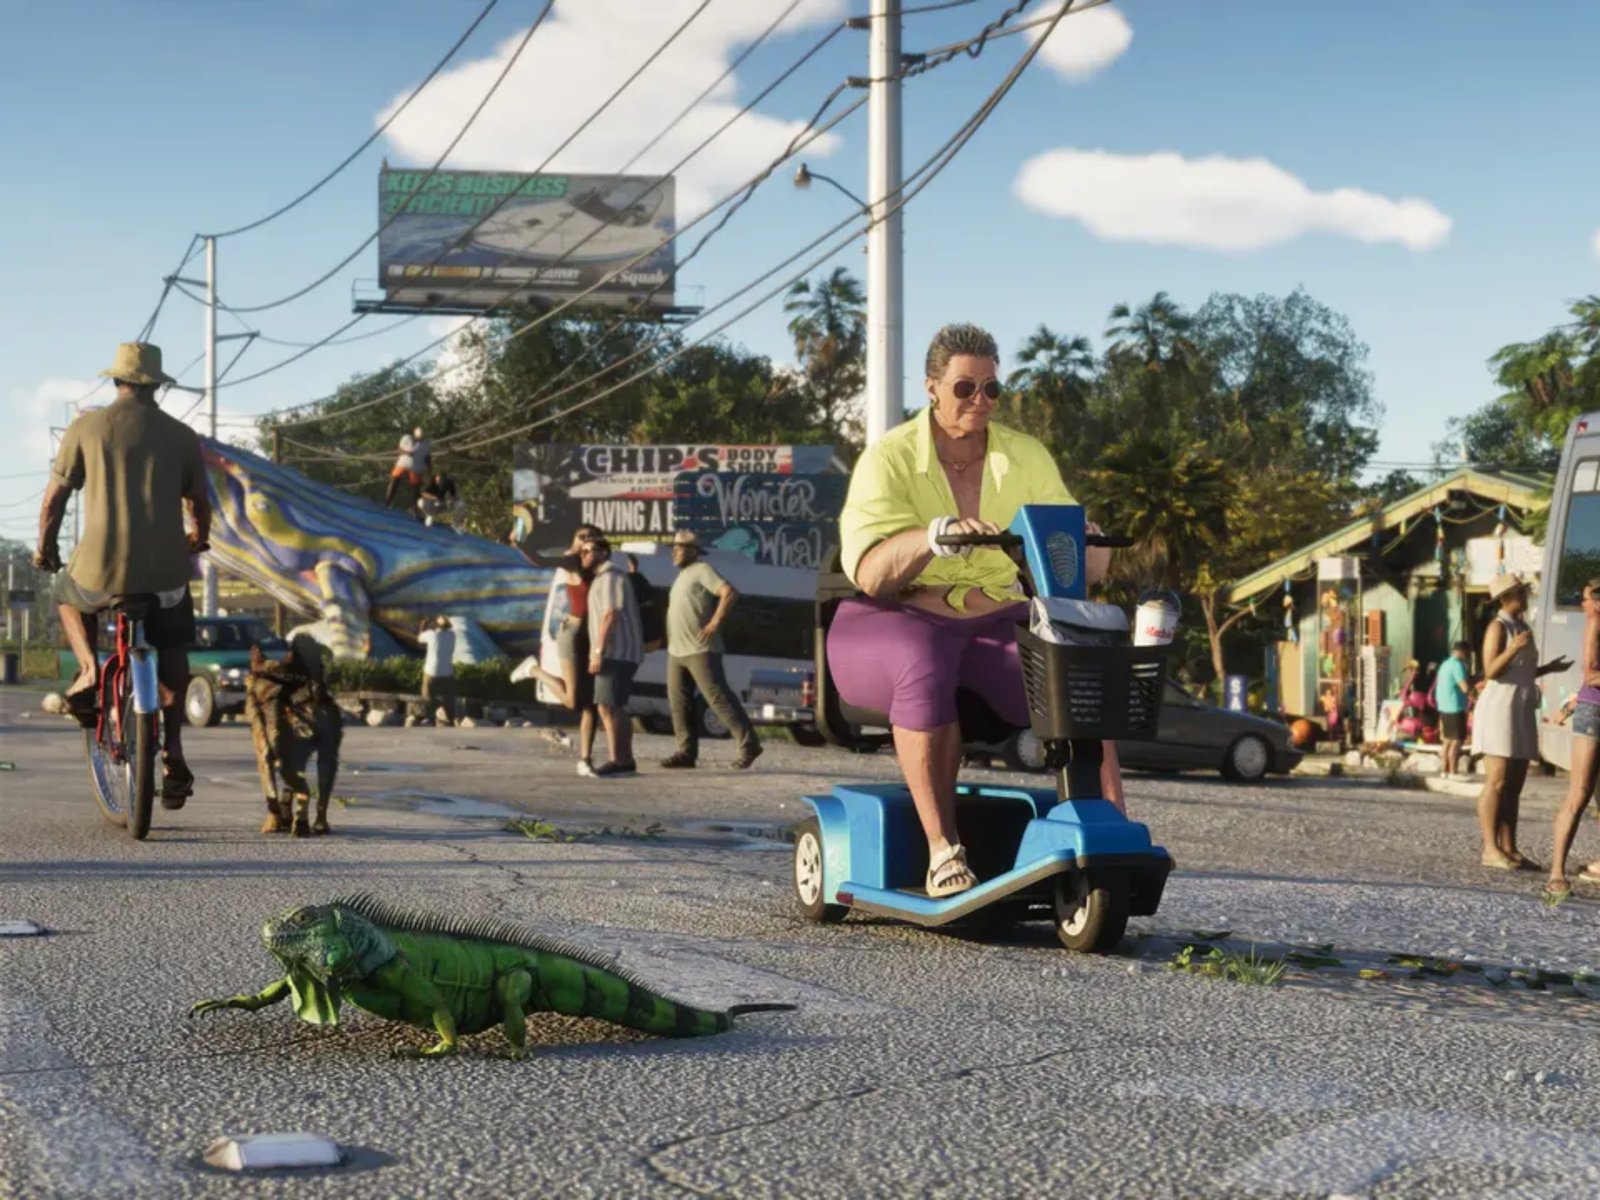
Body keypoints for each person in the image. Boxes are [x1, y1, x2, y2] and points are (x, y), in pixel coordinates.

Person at [829, 323, 1118, 899]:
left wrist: (1088, 544)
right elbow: (870, 573)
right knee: (922, 657)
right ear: (932, 387)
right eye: (965, 388)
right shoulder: (887, 459)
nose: (979, 403)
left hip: (990, 621)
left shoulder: (1025, 456)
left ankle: (1110, 836)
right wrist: (933, 537)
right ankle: (942, 852)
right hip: (889, 620)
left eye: (991, 390)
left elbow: (1084, 569)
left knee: (1076, 672)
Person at [33, 342, 210, 808]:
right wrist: (199, 537)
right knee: (172, 643)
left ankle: (90, 671)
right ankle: (172, 750)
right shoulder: (182, 435)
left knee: (66, 593)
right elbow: (200, 503)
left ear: (117, 381)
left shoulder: (85, 427)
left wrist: (45, 548)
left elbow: (54, 501)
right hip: (166, 574)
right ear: (156, 387)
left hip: (98, 570)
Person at [1474, 574, 1572, 871]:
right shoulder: (1498, 627)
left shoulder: (1522, 627)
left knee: (1515, 784)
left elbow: (1520, 672)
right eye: (1522, 592)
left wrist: (1548, 668)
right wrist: (1514, 647)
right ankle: (1490, 848)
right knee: (1498, 780)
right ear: (1508, 597)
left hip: (1520, 707)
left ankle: (1510, 847)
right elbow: (1490, 670)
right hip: (1498, 709)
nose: (1527, 596)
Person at [658, 530, 762, 770]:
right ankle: (686, 753)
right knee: (679, 702)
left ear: (693, 551)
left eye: (679, 546)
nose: (674, 551)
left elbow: (729, 592)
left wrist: (715, 622)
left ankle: (749, 744)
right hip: (677, 651)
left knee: (717, 697)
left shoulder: (702, 569)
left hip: (700, 648)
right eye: (673, 546)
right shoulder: (682, 575)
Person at [508, 523, 601, 773]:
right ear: (575, 542)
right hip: (571, 635)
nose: (587, 541)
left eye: (592, 537)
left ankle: (586, 759)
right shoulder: (572, 563)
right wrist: (519, 544)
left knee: (592, 703)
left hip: (592, 638)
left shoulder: (599, 565)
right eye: (582, 537)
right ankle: (534, 671)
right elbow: (539, 561)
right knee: (572, 702)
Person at [1546, 578, 1600, 897]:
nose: (1582, 605)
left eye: (1584, 599)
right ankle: (1556, 873)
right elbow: (1590, 675)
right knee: (1578, 794)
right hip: (1594, 713)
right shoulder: (1595, 623)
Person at [581, 535, 644, 777]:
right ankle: (625, 759)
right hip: (619, 652)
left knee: (607, 706)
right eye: (583, 551)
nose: (585, 554)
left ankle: (617, 760)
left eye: (590, 551)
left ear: (604, 553)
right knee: (615, 706)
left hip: (616, 651)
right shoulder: (604, 577)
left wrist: (598, 651)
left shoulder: (610, 577)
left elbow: (610, 615)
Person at [1434, 642, 1472, 776]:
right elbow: (1465, 688)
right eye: (1467, 653)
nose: (1467, 656)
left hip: (1443, 706)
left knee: (1447, 740)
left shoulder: (1445, 664)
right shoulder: (1458, 665)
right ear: (1463, 652)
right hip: (1455, 707)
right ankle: (1453, 772)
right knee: (1456, 741)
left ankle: (1444, 771)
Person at [419, 615, 457, 727]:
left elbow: (419, 639)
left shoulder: (431, 634)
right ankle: (450, 718)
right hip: (448, 672)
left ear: (435, 625)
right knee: (448, 696)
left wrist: (423, 626)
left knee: (427, 694)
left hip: (432, 671)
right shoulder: (452, 635)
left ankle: (429, 716)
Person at [385, 427, 430, 509]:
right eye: (417, 438)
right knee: (394, 480)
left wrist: (429, 471)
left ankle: (414, 509)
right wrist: (407, 453)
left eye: (421, 438)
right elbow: (399, 450)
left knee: (416, 488)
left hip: (416, 466)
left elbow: (427, 458)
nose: (418, 440)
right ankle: (387, 503)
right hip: (403, 463)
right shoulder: (406, 438)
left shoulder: (426, 443)